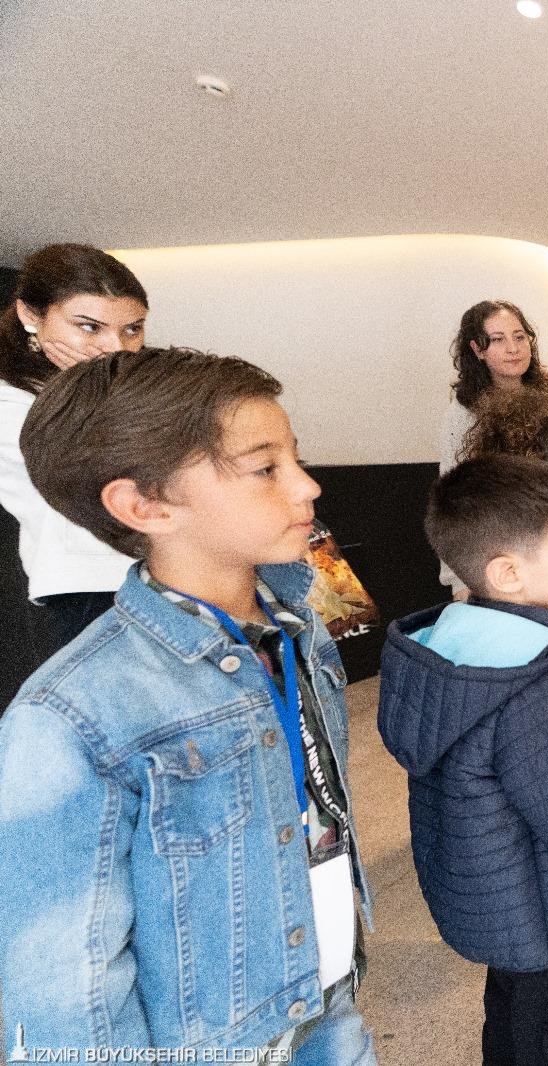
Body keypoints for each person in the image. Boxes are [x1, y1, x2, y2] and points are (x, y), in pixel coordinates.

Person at [0, 347, 375, 1060]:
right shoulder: (72, 714)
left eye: (295, 458)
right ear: (145, 505)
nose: (307, 486)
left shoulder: (301, 629)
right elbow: (64, 988)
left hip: (328, 1002)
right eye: (265, 469)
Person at [378, 454, 548, 1066]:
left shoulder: (459, 652)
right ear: (507, 573)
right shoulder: (530, 685)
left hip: (506, 906)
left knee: (514, 1027)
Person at [0, 244, 147, 658]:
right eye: (89, 327)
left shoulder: (119, 385)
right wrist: (90, 384)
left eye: (132, 329)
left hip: (167, 571)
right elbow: (98, 472)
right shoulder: (9, 401)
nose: (115, 346)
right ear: (31, 315)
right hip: (92, 584)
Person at [437, 300, 548, 595]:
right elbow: (452, 498)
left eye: (519, 337)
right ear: (477, 349)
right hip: (502, 548)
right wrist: (458, 582)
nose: (513, 349)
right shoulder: (463, 413)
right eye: (498, 340)